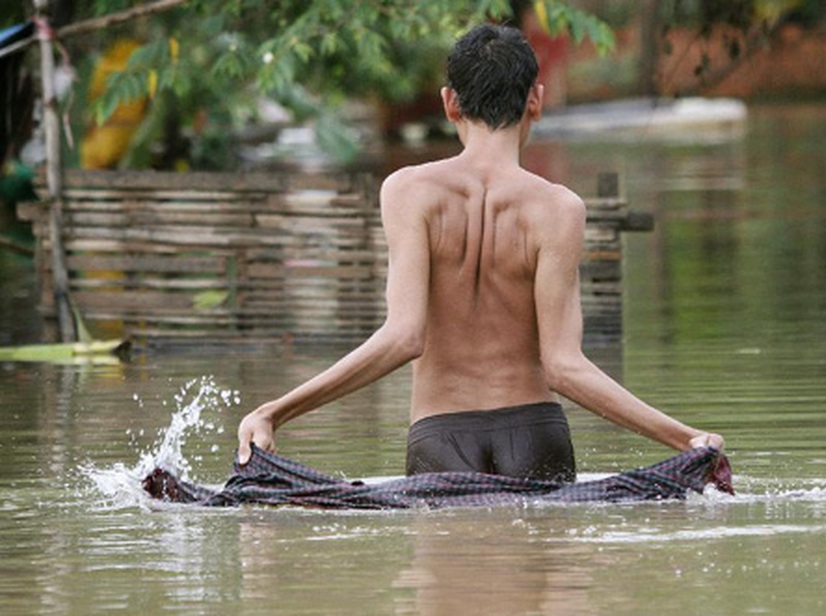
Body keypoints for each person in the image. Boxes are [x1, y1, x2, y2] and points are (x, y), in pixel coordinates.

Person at [237, 23, 724, 480]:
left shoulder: (409, 191)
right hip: (536, 434)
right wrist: (684, 438)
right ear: (536, 100)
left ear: (450, 103)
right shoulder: (558, 209)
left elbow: (404, 337)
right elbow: (563, 367)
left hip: (441, 437)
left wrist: (274, 411)